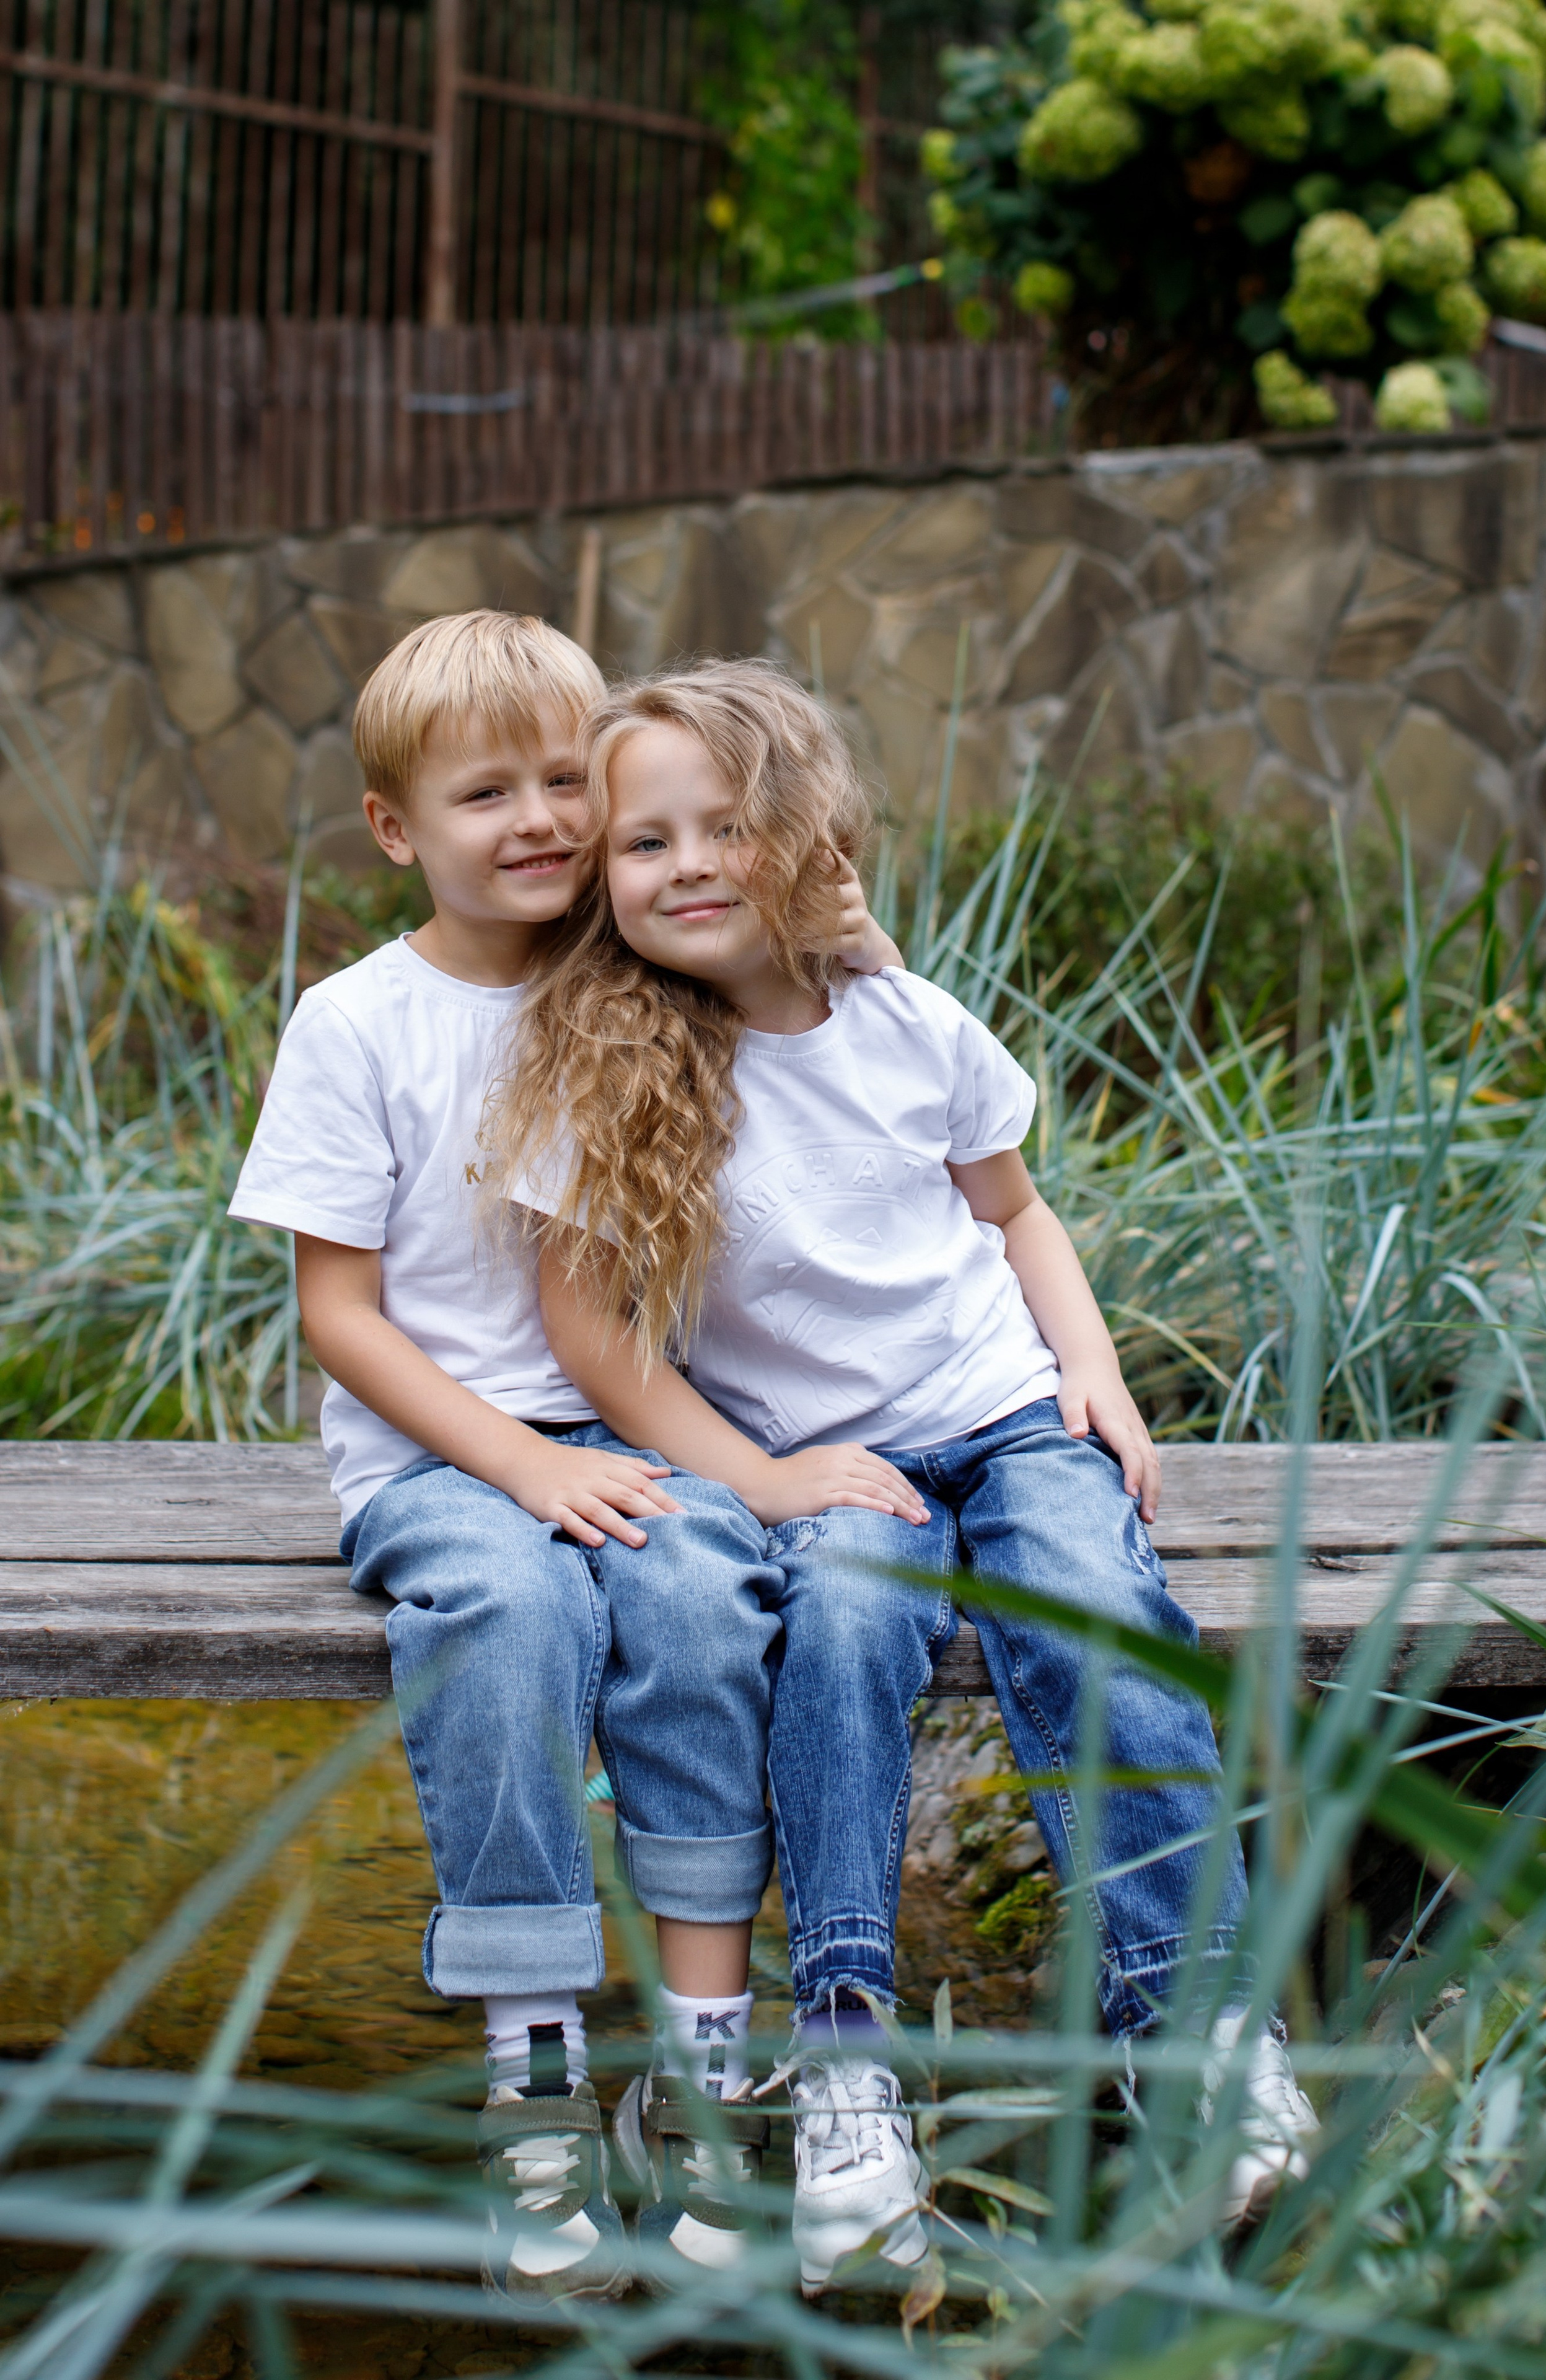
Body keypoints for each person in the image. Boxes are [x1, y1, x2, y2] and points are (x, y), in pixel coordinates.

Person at [493, 658, 1320, 2294]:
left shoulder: (906, 1017)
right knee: (849, 1633)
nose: (687, 866)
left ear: (807, 840)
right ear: (604, 881)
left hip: (1004, 1412)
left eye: (726, 826)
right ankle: (853, 2061)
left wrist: (1090, 1371)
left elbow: (1014, 1213)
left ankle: (1202, 2034)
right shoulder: (615, 1066)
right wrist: (767, 1477)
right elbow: (592, 1337)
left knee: (1091, 1601)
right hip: (828, 1465)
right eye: (645, 843)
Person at [227, 613, 901, 2301]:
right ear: (399, 830)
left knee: (698, 1598)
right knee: (510, 1615)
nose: (535, 821)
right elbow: (343, 1317)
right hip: (437, 1455)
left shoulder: (648, 982)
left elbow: (846, 1003)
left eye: (562, 783)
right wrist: (524, 1476)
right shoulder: (356, 1023)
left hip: (629, 1431)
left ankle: (704, 2056)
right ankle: (534, 2062)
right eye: (483, 794)